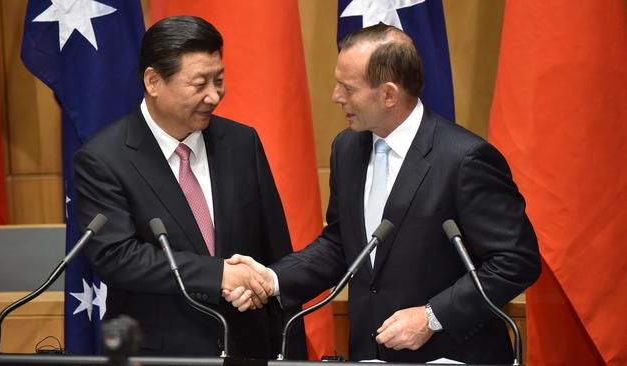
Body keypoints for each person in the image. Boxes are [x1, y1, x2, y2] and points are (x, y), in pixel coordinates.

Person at [224, 24, 541, 364]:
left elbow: (516, 262)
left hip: (451, 353)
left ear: (389, 94)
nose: (335, 97)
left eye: (348, 88)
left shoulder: (464, 159)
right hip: (369, 353)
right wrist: (271, 278)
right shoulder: (346, 148)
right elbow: (341, 245)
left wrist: (432, 317)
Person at [74, 16, 306, 359]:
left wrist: (292, 352)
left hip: (248, 349)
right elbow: (116, 256)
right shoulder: (103, 158)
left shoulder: (242, 143)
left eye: (220, 80)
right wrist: (220, 275)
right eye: (199, 84)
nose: (214, 95)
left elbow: (275, 249)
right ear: (153, 81)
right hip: (162, 354)